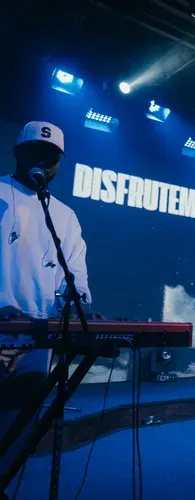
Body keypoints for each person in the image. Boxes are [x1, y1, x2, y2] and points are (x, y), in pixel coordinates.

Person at [0, 121, 92, 485]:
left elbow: (76, 274)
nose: (43, 162)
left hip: (38, 338)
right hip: (1, 329)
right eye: (36, 153)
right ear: (18, 153)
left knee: (19, 427)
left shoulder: (65, 216)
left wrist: (80, 302)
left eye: (51, 157)